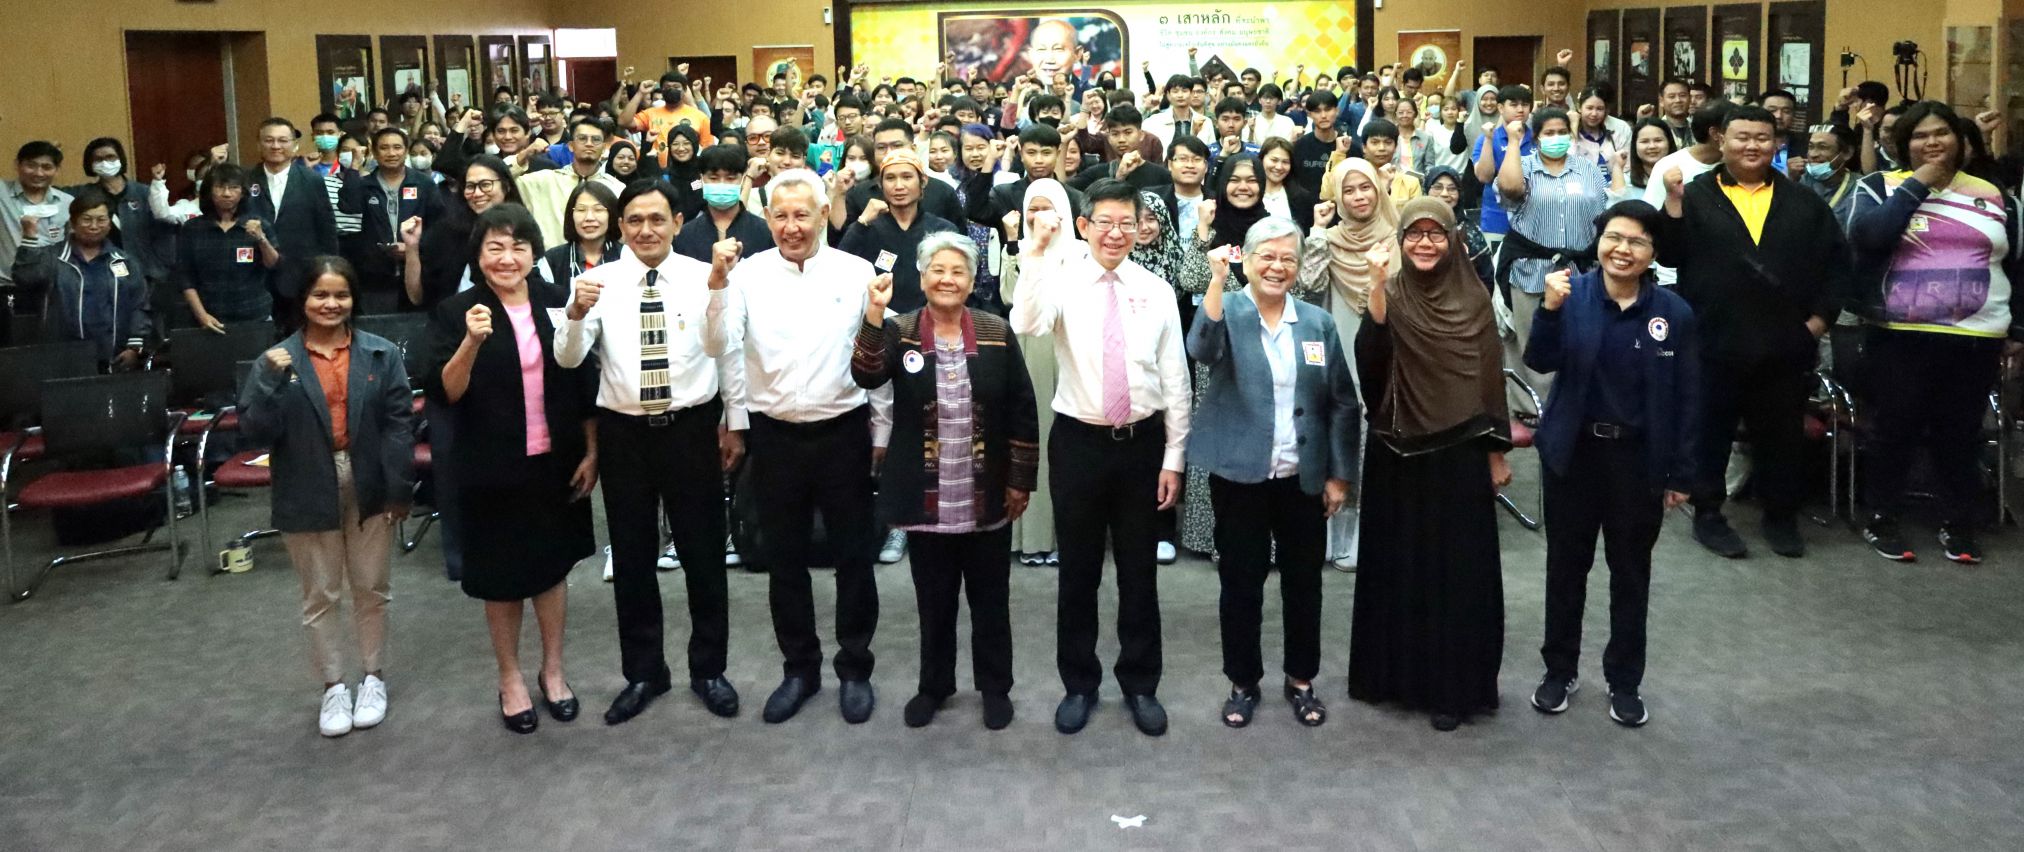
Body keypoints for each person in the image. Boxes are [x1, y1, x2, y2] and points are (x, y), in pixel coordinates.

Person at [703, 169, 890, 726]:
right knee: (783, 560)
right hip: (774, 434)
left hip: (844, 431)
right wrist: (716, 286)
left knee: (854, 557)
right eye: (780, 216)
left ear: (822, 215)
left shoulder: (856, 272)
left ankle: (855, 669)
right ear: (767, 219)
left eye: (802, 215)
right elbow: (720, 347)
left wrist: (882, 429)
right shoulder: (746, 275)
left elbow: (874, 354)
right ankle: (799, 669)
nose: (791, 227)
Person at [556, 181, 746, 724]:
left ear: (678, 222)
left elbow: (722, 348)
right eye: (635, 220)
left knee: (703, 554)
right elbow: (568, 359)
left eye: (657, 219)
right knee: (633, 556)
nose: (646, 230)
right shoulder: (597, 281)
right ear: (620, 227)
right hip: (625, 433)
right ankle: (644, 672)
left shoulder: (705, 274)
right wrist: (574, 312)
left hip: (690, 428)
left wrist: (735, 422)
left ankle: (709, 669)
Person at [1009, 179, 1191, 737]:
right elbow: (1026, 323)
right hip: (1079, 444)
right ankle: (1079, 684)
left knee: (1139, 574)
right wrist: (1035, 254)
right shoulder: (1060, 279)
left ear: (1140, 228)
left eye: (1126, 223)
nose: (1116, 233)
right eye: (1104, 222)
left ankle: (1140, 683)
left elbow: (1175, 377)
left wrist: (1175, 456)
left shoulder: (1156, 289)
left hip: (1142, 446)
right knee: (1078, 573)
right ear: (1084, 226)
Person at [851, 232, 1039, 730]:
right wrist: (874, 314)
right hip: (926, 493)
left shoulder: (996, 330)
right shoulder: (901, 330)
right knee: (933, 603)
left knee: (991, 602)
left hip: (986, 492)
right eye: (938, 270)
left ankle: (995, 688)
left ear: (972, 282)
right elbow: (866, 374)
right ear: (922, 277)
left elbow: (1022, 407)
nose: (947, 279)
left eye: (958, 272)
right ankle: (933, 686)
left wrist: (1019, 480)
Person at [1524, 201, 1700, 729]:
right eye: (1614, 238)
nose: (1623, 249)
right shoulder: (1570, 294)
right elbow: (1539, 360)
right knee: (1565, 568)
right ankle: (1559, 671)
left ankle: (1624, 681)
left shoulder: (1674, 313)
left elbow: (1689, 397)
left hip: (1638, 461)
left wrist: (1682, 473)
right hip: (1574, 456)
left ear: (1653, 253)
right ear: (1598, 241)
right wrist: (1548, 310)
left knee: (1631, 573)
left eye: (1637, 242)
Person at [422, 204, 598, 734]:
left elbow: (581, 381)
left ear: (533, 253)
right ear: (478, 255)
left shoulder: (556, 302)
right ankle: (510, 678)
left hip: (556, 460)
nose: (507, 257)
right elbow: (446, 392)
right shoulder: (457, 311)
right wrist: (471, 342)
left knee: (552, 570)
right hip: (490, 464)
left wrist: (592, 451)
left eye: (518, 246)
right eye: (494, 247)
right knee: (501, 579)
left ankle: (553, 670)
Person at [1658, 105, 1854, 559]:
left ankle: (1781, 517)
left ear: (1777, 144)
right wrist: (1673, 204)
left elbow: (1838, 267)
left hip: (1784, 344)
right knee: (1710, 436)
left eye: (1762, 138)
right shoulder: (1695, 194)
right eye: (1741, 137)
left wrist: (1818, 322)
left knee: (1782, 437)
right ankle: (1708, 515)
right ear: (1721, 140)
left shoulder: (1804, 201)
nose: (1752, 146)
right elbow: (1668, 256)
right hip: (1713, 341)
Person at [1347, 196, 1513, 732]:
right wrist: (1376, 288)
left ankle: (1452, 689)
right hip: (1398, 454)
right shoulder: (1391, 292)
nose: (1424, 243)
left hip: (1460, 454)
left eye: (1435, 234)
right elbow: (1371, 369)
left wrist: (1495, 453)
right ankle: (1394, 679)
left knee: (1456, 576)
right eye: (1414, 234)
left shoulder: (1475, 299)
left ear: (1453, 240)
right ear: (1400, 242)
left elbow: (1489, 382)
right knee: (1399, 569)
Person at [1188, 216, 1359, 728]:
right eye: (1267, 256)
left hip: (1301, 477)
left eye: (1288, 258)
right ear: (1247, 259)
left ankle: (1301, 680)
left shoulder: (1316, 323)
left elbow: (1341, 402)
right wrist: (1216, 280)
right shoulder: (1227, 309)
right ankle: (1242, 683)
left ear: (1299, 266)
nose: (1277, 267)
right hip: (1239, 476)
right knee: (1241, 583)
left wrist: (1339, 475)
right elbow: (1202, 349)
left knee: (1304, 584)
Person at [238, 257, 414, 737]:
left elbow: (399, 425)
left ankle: (373, 677)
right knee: (320, 593)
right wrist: (269, 380)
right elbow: (254, 431)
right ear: (303, 301)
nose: (331, 304)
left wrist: (400, 487)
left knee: (372, 587)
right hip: (306, 480)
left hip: (370, 479)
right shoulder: (277, 359)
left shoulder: (380, 353)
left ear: (354, 299)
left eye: (341, 295)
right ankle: (334, 686)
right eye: (320, 295)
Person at [1847, 101, 2023, 564]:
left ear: (1960, 140)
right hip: (1900, 334)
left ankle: (1959, 523)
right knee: (1894, 429)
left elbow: (2017, 264)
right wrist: (1919, 182)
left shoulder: (1994, 194)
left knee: (1960, 434)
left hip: (1977, 336)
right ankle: (1882, 517)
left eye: (1941, 133)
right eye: (1920, 135)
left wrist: (2018, 328)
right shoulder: (1879, 186)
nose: (1932, 142)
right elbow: (1870, 237)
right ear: (1903, 144)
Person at [1299, 158, 1399, 569]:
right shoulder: (1328, 238)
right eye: (1349, 190)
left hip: (1387, 355)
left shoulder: (1398, 236)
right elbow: (1308, 286)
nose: (1359, 197)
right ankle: (1331, 527)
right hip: (1338, 349)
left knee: (1375, 445)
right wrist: (1317, 232)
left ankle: (1363, 532)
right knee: (1338, 438)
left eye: (1366, 187)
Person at [999, 179, 1086, 566]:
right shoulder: (1019, 248)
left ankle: (1066, 537)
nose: (1039, 216)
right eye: (1032, 208)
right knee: (1032, 434)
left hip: (1072, 350)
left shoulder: (1082, 253)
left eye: (1047, 208)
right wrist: (1018, 245)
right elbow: (1008, 296)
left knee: (1067, 443)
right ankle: (1031, 537)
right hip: (1029, 350)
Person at [1499, 107, 1611, 404]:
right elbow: (1509, 189)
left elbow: (1603, 211)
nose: (1557, 138)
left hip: (1579, 270)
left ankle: (1573, 404)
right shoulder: (1523, 164)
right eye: (1549, 133)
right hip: (1531, 267)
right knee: (1530, 338)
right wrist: (1514, 141)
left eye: (1562, 132)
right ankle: (1532, 407)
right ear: (1536, 138)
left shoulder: (1587, 169)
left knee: (1581, 338)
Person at [13, 189, 149, 367]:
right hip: (62, 357)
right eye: (86, 219)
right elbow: (25, 278)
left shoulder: (124, 261)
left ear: (110, 224)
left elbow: (139, 304)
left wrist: (134, 347)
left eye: (101, 220)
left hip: (114, 356)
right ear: (73, 223)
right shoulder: (53, 257)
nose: (94, 226)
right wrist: (29, 238)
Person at [840, 148, 958, 315]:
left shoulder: (943, 230)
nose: (899, 186)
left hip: (930, 320)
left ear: (923, 181)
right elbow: (841, 267)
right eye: (890, 178)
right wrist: (862, 222)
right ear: (880, 184)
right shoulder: (867, 228)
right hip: (876, 319)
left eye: (907, 177)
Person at [247, 118, 341, 325]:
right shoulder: (246, 179)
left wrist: (329, 270)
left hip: (300, 275)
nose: (276, 146)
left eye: (283, 140)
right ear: (259, 144)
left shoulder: (312, 180)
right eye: (269, 140)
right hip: (254, 276)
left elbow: (326, 228)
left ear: (295, 145)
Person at [340, 128, 444, 313]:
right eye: (384, 148)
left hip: (417, 269)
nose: (391, 153)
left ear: (406, 151)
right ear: (374, 152)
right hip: (374, 275)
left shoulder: (424, 184)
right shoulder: (366, 184)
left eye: (397, 147)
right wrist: (355, 166)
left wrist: (413, 248)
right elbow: (349, 205)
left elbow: (439, 225)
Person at [178, 163, 279, 330]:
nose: (226, 193)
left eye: (233, 187)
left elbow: (273, 264)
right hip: (207, 317)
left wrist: (262, 239)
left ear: (243, 192)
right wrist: (202, 315)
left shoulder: (258, 224)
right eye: (219, 187)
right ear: (209, 192)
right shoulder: (192, 228)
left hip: (255, 316)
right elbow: (185, 277)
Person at [675, 144, 774, 263]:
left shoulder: (766, 232)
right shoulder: (684, 235)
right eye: (713, 178)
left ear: (743, 179)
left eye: (730, 178)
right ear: (702, 179)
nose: (721, 184)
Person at [1470, 84, 1537, 243]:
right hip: (1496, 220)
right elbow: (1484, 177)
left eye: (1525, 104)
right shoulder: (1487, 138)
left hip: (1534, 220)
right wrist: (1488, 139)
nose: (1520, 109)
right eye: (1513, 105)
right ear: (1500, 108)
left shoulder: (1537, 138)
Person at [539, 181, 621, 291]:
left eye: (598, 209)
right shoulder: (552, 261)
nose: (589, 217)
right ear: (571, 215)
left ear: (611, 214)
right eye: (581, 210)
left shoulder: (627, 256)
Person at [1799, 122, 1861, 225]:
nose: (1813, 154)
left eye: (1823, 147)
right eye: (1811, 147)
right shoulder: (1801, 180)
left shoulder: (1859, 189)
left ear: (1847, 153)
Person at [1258, 138, 1317, 233]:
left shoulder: (1302, 198)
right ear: (1261, 159)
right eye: (1274, 160)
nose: (1279, 167)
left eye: (1285, 162)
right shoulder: (1249, 192)